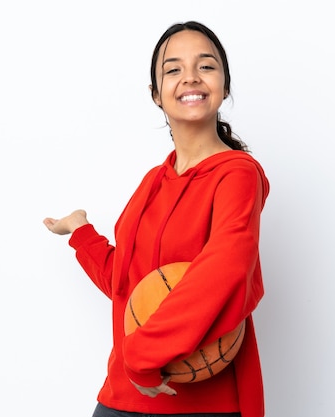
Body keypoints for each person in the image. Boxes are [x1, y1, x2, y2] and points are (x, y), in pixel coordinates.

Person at [44, 21, 269, 417]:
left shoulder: (237, 174)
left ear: (225, 86)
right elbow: (129, 285)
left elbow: (225, 269)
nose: (190, 78)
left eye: (206, 66)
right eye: (173, 69)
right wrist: (81, 232)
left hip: (202, 404)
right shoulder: (152, 182)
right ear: (155, 95)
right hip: (125, 393)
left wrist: (144, 357)